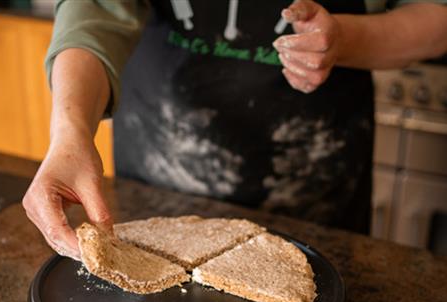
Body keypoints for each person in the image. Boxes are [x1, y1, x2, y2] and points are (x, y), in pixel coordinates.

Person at [22, 0, 447, 259]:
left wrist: (346, 39)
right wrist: (70, 134)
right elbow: (93, 9)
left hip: (316, 189)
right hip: (159, 175)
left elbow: (437, 18)